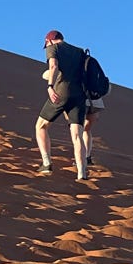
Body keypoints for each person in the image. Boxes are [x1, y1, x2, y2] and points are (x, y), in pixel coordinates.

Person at [35, 30, 90, 181]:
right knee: (77, 135)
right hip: (79, 96)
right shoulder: (79, 51)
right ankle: (82, 172)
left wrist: (50, 86)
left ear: (49, 41)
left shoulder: (53, 48)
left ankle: (46, 163)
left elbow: (53, 66)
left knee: (41, 126)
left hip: (61, 92)